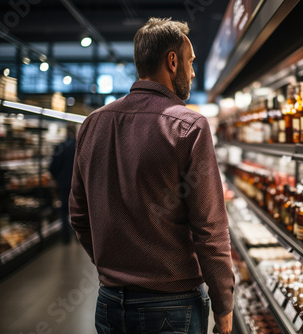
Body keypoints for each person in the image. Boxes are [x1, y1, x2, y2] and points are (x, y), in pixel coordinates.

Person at [69, 17, 234, 334]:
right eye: (190, 62)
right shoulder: (188, 127)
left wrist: (113, 265)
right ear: (172, 62)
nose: (193, 72)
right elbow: (209, 229)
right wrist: (223, 304)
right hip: (172, 307)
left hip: (108, 304)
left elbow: (78, 214)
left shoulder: (92, 124)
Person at [49, 124, 76, 244]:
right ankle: (78, 235)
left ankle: (66, 237)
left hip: (64, 183)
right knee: (78, 209)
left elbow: (53, 166)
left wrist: (57, 178)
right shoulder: (81, 145)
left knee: (64, 209)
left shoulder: (60, 147)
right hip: (78, 184)